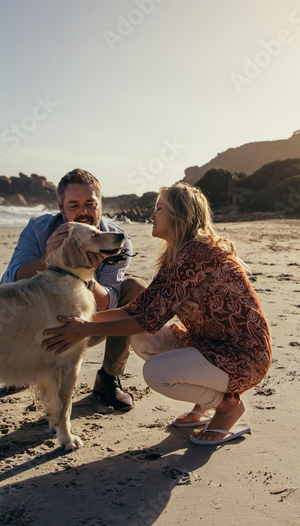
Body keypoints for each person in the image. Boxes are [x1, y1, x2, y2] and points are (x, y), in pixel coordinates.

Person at [43, 182, 272, 445]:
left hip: (243, 357)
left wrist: (85, 329)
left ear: (179, 216)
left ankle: (226, 407)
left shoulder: (197, 254)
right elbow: (138, 308)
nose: (152, 216)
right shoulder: (178, 254)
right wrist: (81, 321)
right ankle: (204, 402)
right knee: (141, 340)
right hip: (210, 345)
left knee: (156, 373)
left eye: (159, 209)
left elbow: (148, 320)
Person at [1, 168, 145, 411]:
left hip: (85, 324)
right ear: (61, 206)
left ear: (100, 203)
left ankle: (108, 379)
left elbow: (109, 304)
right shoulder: (38, 229)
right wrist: (49, 256)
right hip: (36, 324)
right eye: (74, 205)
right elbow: (10, 283)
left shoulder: (114, 239)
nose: (83, 212)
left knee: (134, 289)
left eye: (90, 204)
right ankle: (24, 368)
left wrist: (86, 275)